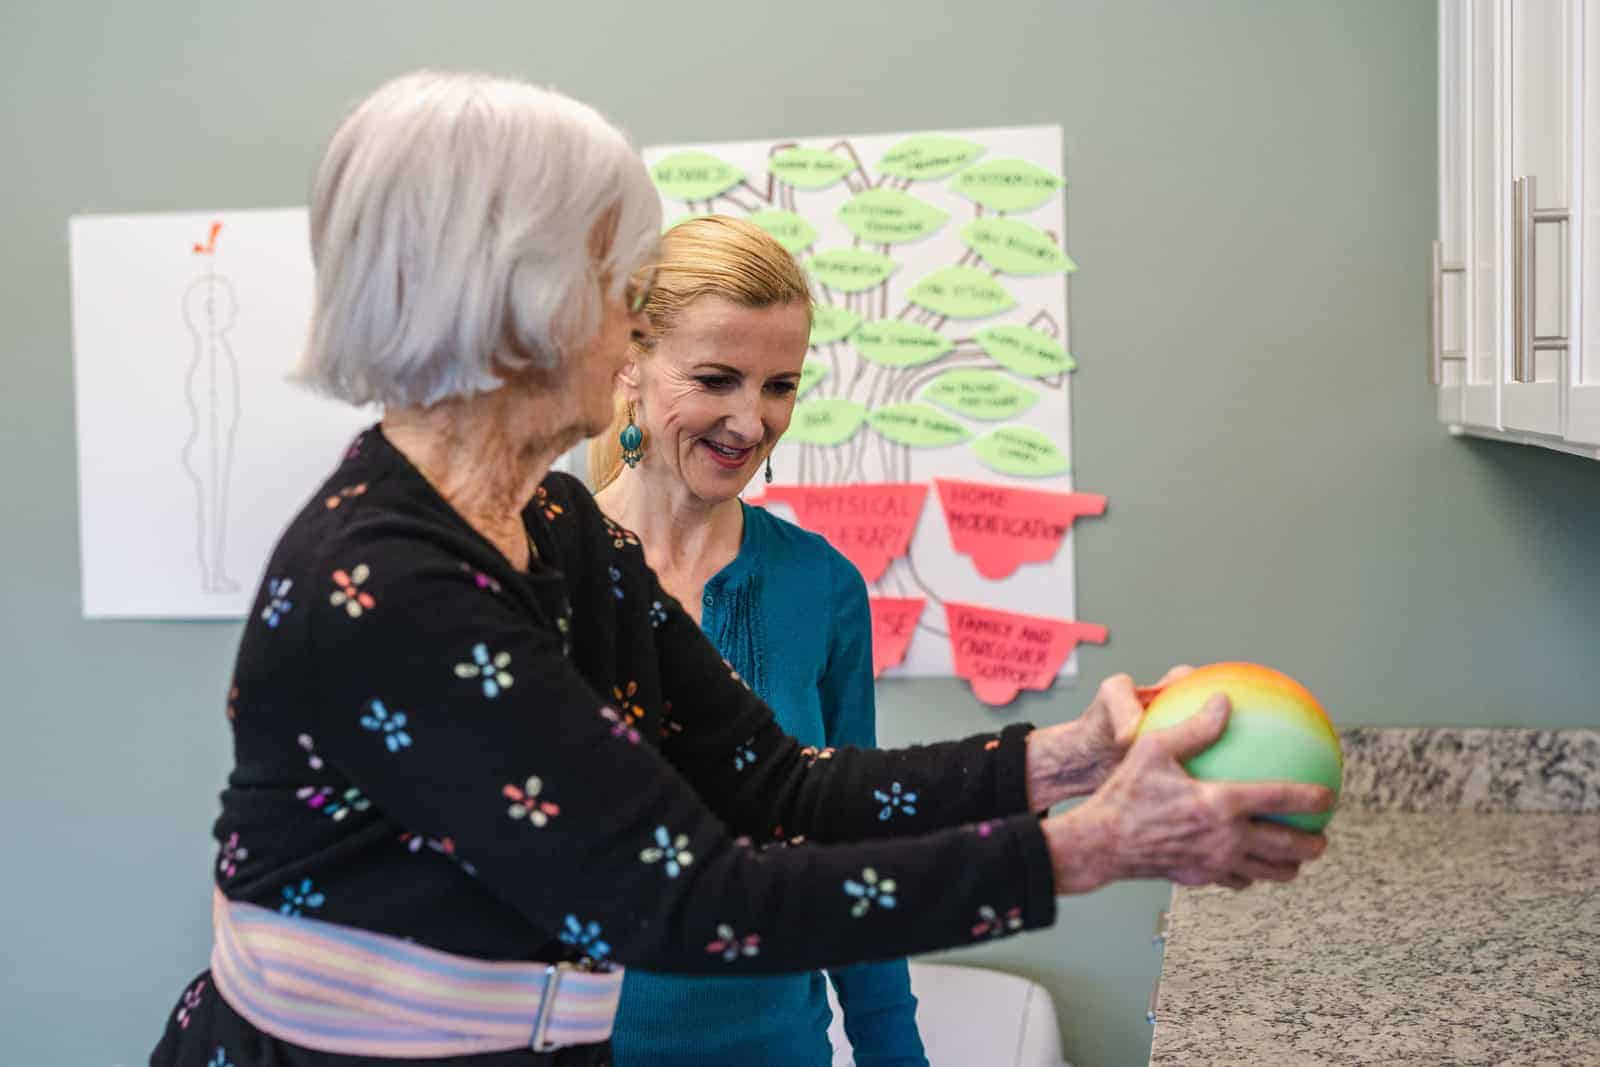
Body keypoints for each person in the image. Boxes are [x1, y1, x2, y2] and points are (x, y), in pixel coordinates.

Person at [152, 70, 1332, 1067]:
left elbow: (777, 786)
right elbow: (687, 894)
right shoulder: (390, 584)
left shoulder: (555, 527)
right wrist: (1092, 846)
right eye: (618, 293)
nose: (626, 338)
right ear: (519, 300)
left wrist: (1078, 755)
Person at [590, 216, 926, 1067]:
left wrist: (896, 1054)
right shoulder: (528, 576)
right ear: (629, 360)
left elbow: (853, 849)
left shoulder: (823, 588)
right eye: (716, 378)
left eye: (779, 384)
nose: (750, 420)